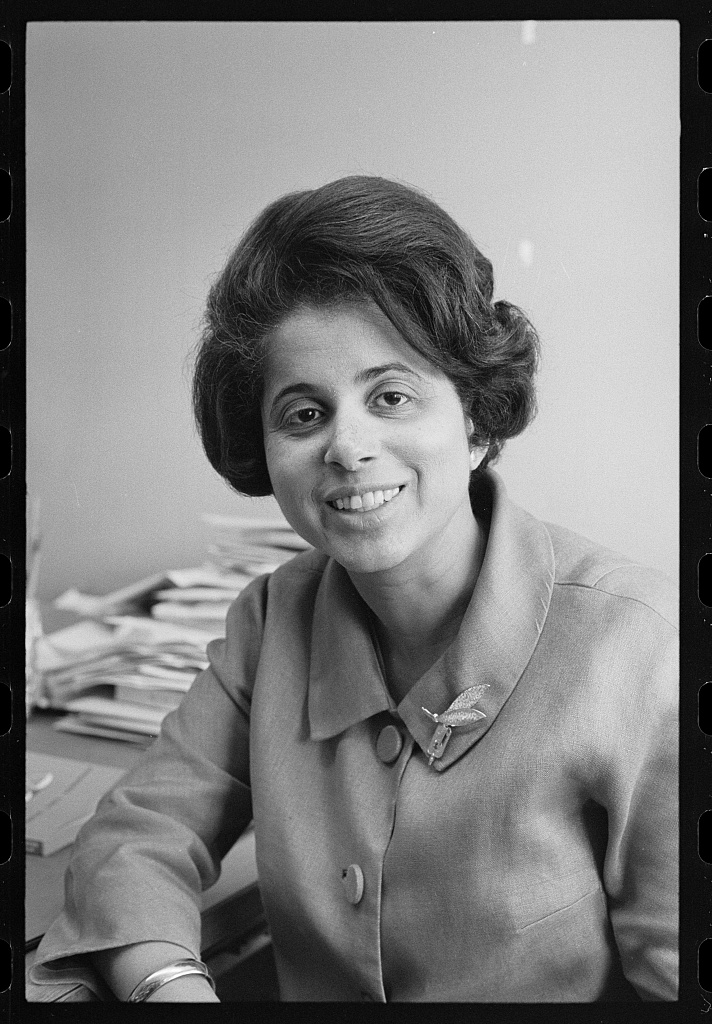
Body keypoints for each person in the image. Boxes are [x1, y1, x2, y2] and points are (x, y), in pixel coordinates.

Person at [30, 176, 678, 1002]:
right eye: (303, 414)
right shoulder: (272, 621)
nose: (348, 446)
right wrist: (167, 985)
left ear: (476, 419)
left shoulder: (641, 647)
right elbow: (139, 835)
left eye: (392, 396)